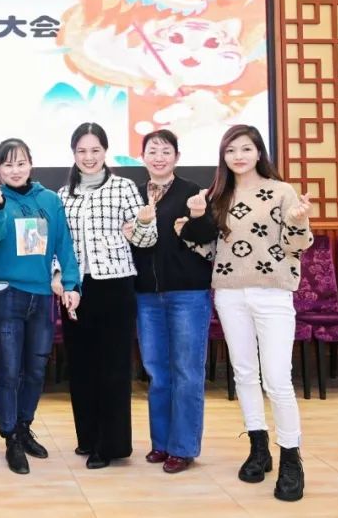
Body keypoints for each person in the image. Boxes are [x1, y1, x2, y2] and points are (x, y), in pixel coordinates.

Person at [180, 124, 313, 502]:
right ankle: (258, 448)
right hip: (229, 293)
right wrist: (193, 220)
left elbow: (297, 245)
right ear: (223, 157)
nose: (238, 156)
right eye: (230, 150)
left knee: (278, 379)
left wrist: (299, 219)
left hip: (273, 294)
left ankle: (291, 459)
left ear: (259, 152)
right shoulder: (215, 196)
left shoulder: (282, 192)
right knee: (243, 373)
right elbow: (207, 248)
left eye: (246, 149)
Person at [56, 122, 157, 469]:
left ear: (105, 152)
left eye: (95, 150)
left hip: (115, 286)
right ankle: (87, 438)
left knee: (112, 368)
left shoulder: (123, 188)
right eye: (82, 151)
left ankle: (110, 445)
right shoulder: (62, 195)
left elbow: (146, 240)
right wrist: (59, 278)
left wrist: (143, 224)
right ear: (73, 153)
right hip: (76, 290)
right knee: (81, 367)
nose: (89, 157)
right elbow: (58, 245)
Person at [0, 138, 80, 475]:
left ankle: (24, 427)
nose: (15, 170)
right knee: (8, 370)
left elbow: (63, 244)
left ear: (31, 164)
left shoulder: (49, 200)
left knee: (36, 369)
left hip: (42, 296)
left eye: (20, 163)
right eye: (7, 164)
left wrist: (70, 283)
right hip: (6, 294)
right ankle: (10, 438)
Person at [131, 129, 212, 474]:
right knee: (157, 372)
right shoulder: (133, 194)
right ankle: (161, 443)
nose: (159, 157)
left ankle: (183, 447)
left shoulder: (193, 192)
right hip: (146, 295)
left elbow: (207, 236)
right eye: (152, 151)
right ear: (142, 157)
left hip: (187, 294)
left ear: (177, 156)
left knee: (187, 372)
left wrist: (198, 216)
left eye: (166, 151)